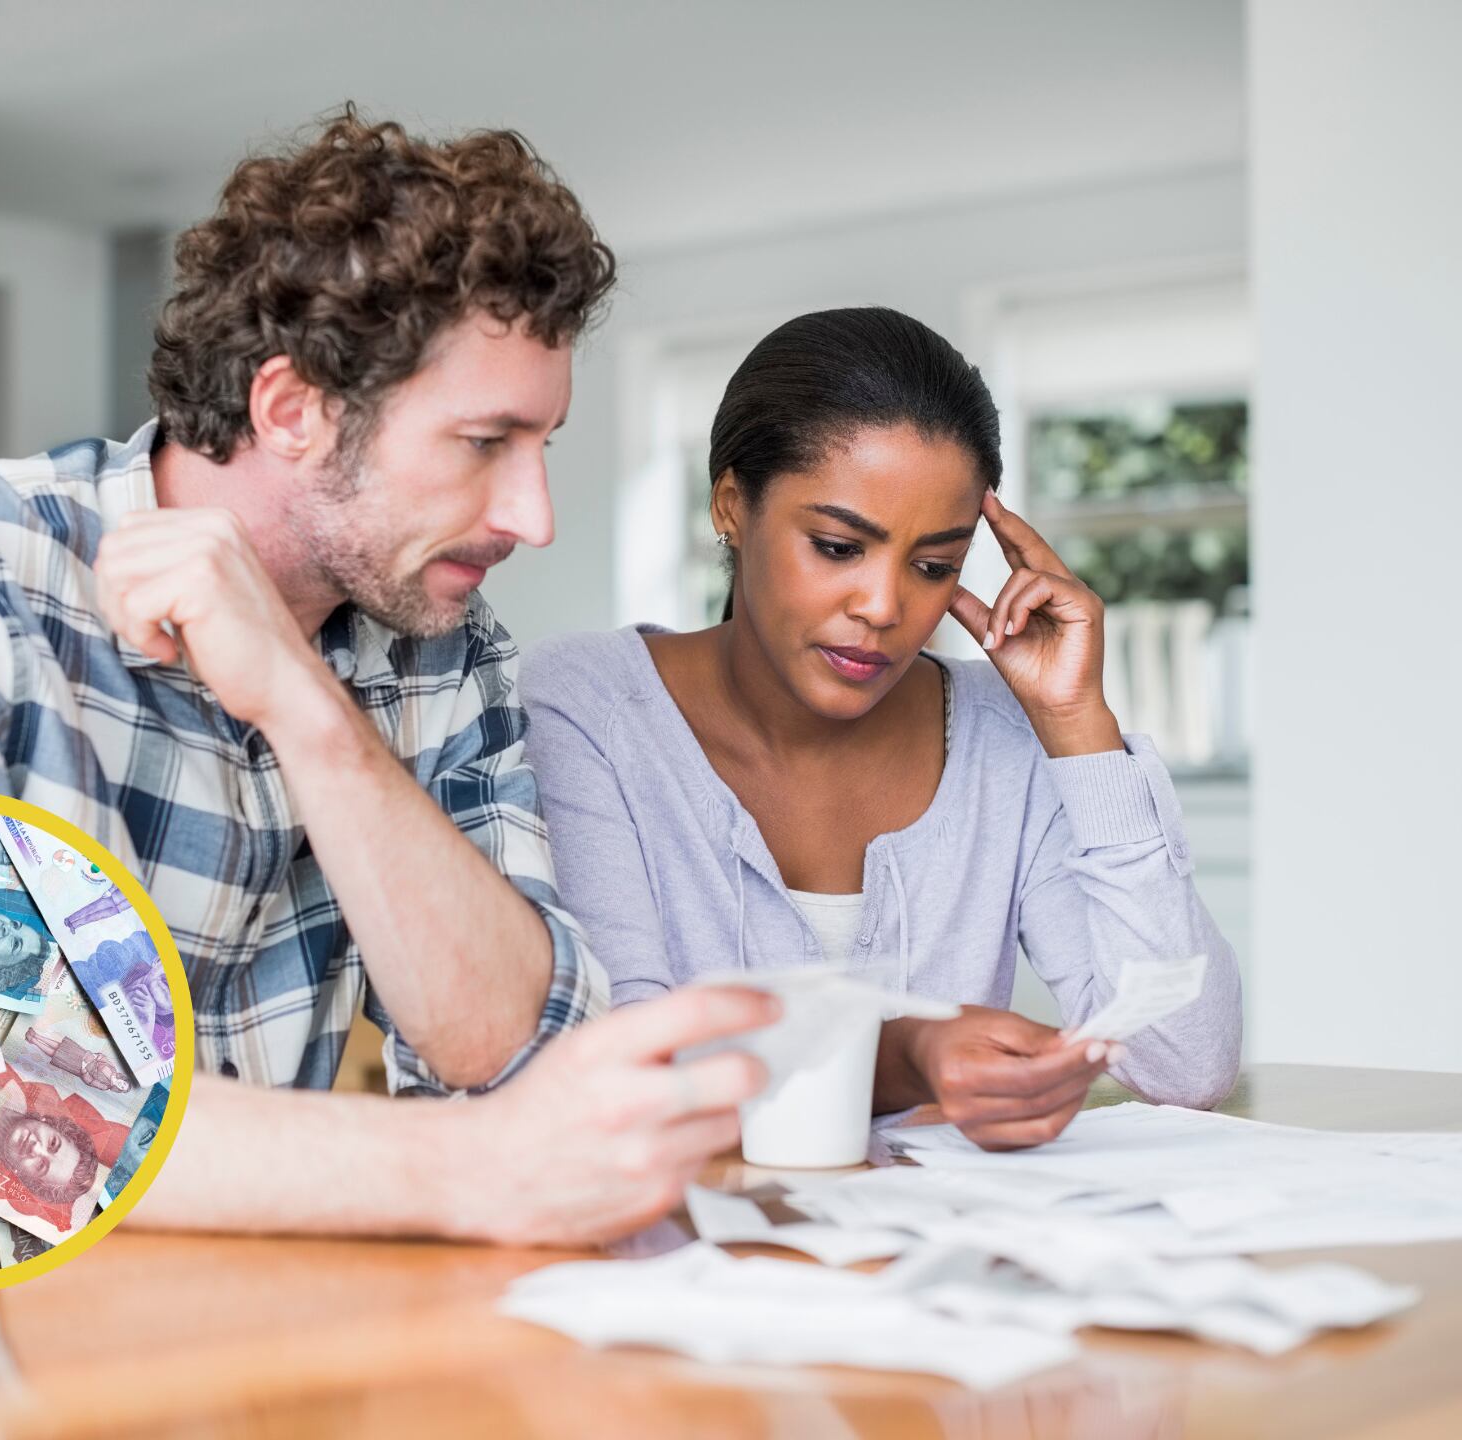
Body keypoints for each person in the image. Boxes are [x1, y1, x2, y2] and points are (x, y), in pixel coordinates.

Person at [0, 108, 776, 1245]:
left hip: (240, 1308)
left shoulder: (443, 646)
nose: (535, 517)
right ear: (291, 410)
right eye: (486, 443)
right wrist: (463, 1170)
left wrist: (305, 707)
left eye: (545, 446)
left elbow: (515, 1053)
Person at [522, 307, 1242, 1151]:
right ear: (732, 505)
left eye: (934, 566)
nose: (884, 606)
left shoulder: (1002, 735)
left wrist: (1077, 725)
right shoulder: (591, 707)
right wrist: (901, 1056)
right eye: (837, 547)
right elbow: (618, 1068)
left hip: (944, 1236)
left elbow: (1185, 1064)